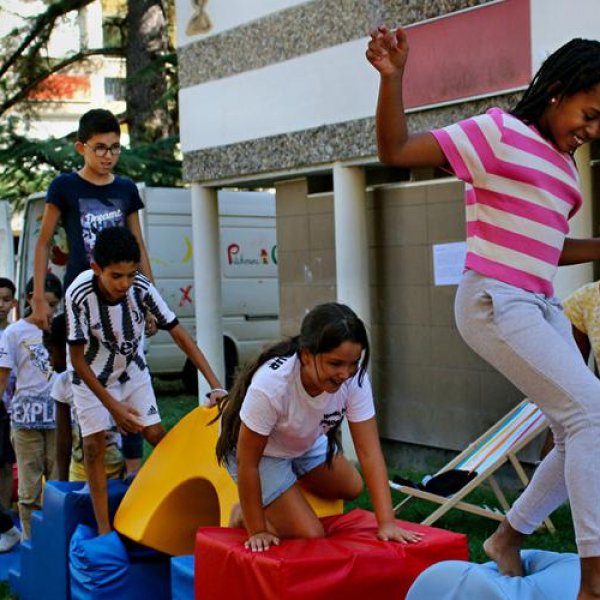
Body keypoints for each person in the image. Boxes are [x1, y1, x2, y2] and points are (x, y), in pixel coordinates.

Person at [367, 26, 600, 599]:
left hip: (537, 301)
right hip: (493, 296)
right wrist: (392, 79)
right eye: (589, 115)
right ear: (557, 90)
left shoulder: (567, 172)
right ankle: (595, 579)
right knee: (590, 413)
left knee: (581, 428)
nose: (591, 133)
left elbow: (544, 244)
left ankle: (506, 537)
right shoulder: (499, 133)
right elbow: (396, 152)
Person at [214, 302, 422, 552]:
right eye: (335, 364)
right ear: (305, 356)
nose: (345, 373)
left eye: (353, 363)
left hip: (301, 441)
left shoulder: (353, 380)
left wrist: (387, 523)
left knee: (352, 486)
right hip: (261, 454)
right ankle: (243, 513)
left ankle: (285, 490)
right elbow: (248, 463)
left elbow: (369, 451)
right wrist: (256, 528)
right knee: (311, 535)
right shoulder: (272, 386)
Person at [65, 226, 227, 535]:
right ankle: (103, 530)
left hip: (131, 369)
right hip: (90, 375)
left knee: (155, 434)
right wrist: (113, 407)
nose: (124, 283)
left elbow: (179, 333)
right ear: (96, 268)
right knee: (93, 446)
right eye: (116, 276)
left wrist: (214, 383)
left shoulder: (140, 286)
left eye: (130, 274)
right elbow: (76, 360)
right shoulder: (78, 294)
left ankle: (185, 505)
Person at [31, 108, 153, 479]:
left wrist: (148, 297)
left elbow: (138, 244)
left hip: (123, 297)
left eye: (115, 148)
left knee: (131, 371)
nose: (107, 156)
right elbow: (43, 241)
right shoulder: (65, 187)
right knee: (76, 382)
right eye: (100, 148)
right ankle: (71, 472)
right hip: (80, 298)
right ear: (81, 147)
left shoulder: (125, 189)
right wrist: (38, 296)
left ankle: (133, 468)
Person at [0, 273, 62, 540]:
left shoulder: (63, 329)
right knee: (28, 490)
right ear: (29, 299)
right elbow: (3, 376)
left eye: (54, 305)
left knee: (59, 486)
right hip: (25, 422)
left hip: (60, 420)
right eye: (44, 303)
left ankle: (56, 541)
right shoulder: (14, 332)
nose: (49, 310)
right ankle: (30, 543)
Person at [47, 314, 125, 482]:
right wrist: (63, 483)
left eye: (52, 352)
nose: (50, 361)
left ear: (66, 348)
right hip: (80, 471)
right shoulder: (63, 383)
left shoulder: (114, 375)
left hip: (119, 468)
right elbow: (63, 438)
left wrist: (133, 469)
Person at [0, 278, 19, 551]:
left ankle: (5, 520)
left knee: (5, 465)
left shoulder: (16, 334)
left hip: (12, 412)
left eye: (5, 299)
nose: (0, 305)